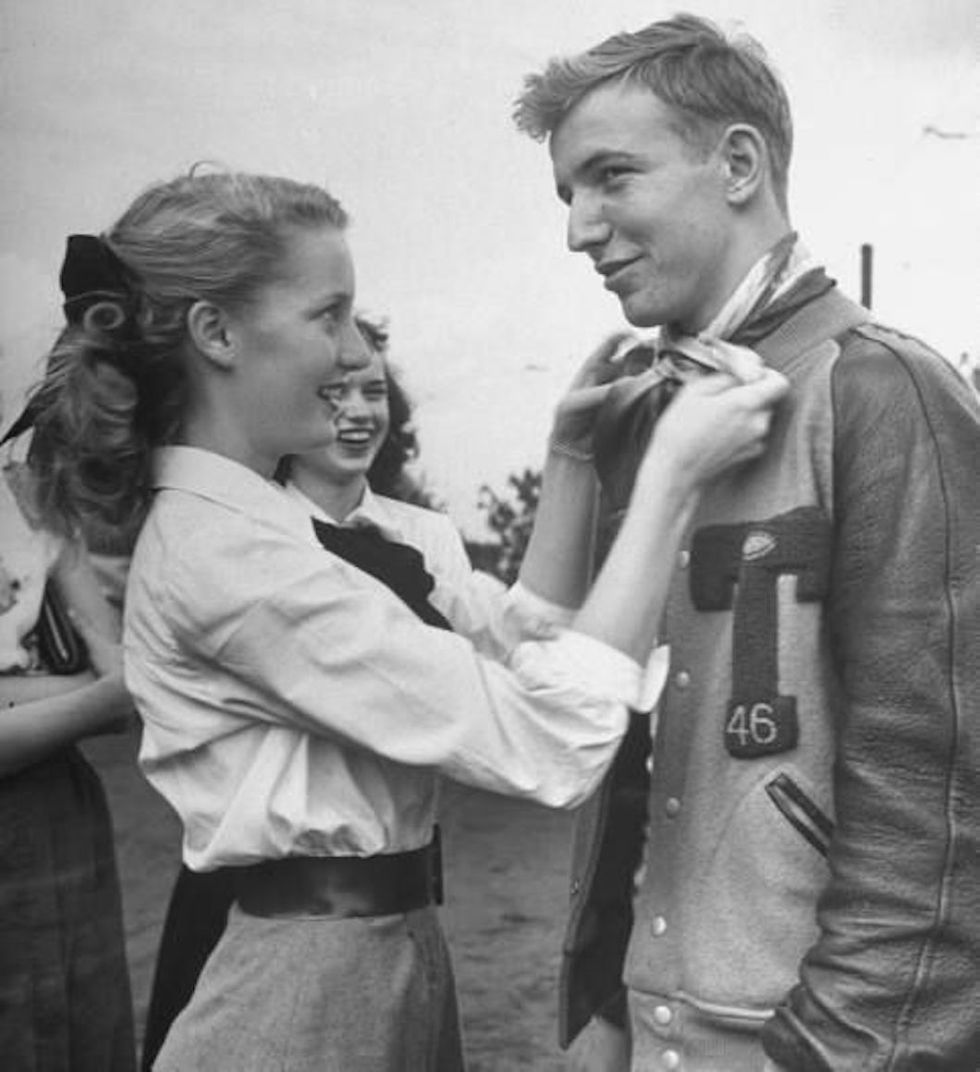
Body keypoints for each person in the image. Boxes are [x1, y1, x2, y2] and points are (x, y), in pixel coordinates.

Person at [24, 170, 786, 1071]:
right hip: (304, 995)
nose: (355, 353)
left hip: (375, 960)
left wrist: (572, 460)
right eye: (329, 315)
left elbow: (505, 650)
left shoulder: (272, 528)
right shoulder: (225, 555)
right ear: (217, 334)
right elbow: (550, 743)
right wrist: (672, 482)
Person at [513, 13, 980, 1072]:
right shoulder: (644, 419)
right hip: (650, 1029)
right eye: (567, 193)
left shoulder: (884, 391)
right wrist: (606, 1002)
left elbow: (939, 818)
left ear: (737, 165)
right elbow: (633, 756)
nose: (579, 229)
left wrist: (827, 1054)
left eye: (611, 176)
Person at [138, 318, 435, 1071]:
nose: (356, 412)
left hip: (389, 881)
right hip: (270, 884)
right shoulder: (241, 544)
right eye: (334, 392)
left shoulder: (418, 540)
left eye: (374, 391)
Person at [0, 418, 136, 1069]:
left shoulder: (28, 497)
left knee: (81, 1030)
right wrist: (89, 694)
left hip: (62, 815)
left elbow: (124, 686)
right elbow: (107, 691)